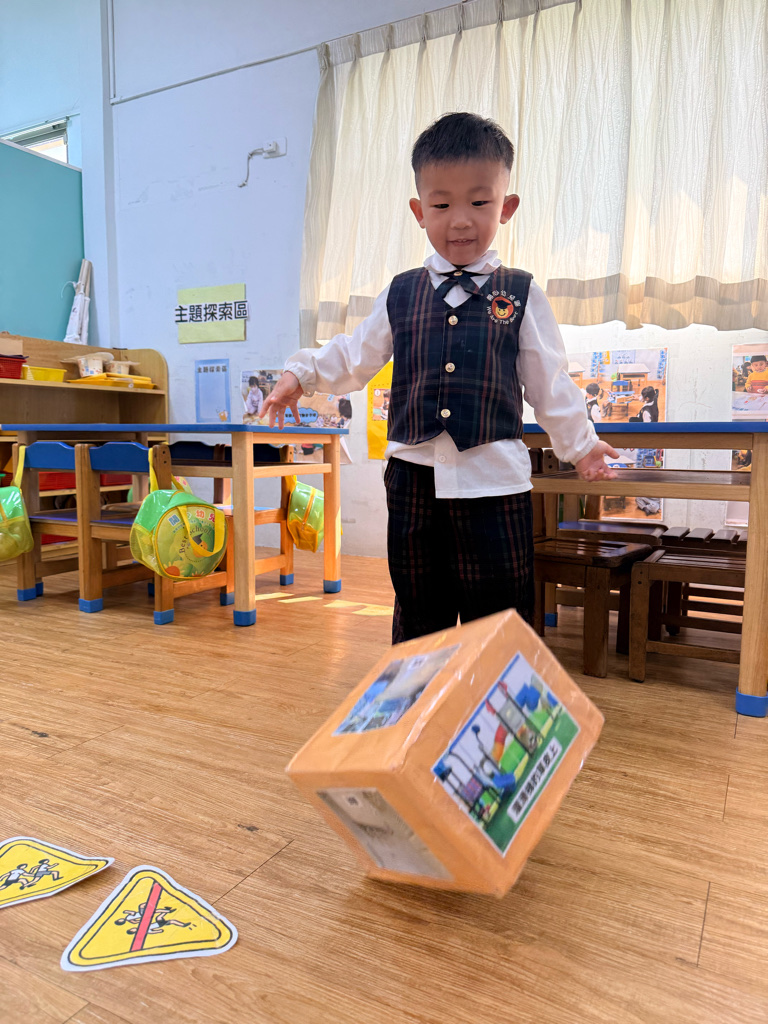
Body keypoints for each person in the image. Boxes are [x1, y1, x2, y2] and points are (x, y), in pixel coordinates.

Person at [263, 112, 617, 643]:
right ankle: (422, 694)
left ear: (506, 207)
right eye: (442, 205)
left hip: (495, 484)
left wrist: (582, 446)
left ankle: (495, 699)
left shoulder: (520, 293)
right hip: (413, 482)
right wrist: (301, 372)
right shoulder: (401, 292)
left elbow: (549, 382)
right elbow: (356, 354)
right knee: (419, 610)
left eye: (479, 203)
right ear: (419, 211)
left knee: (498, 620)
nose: (460, 221)